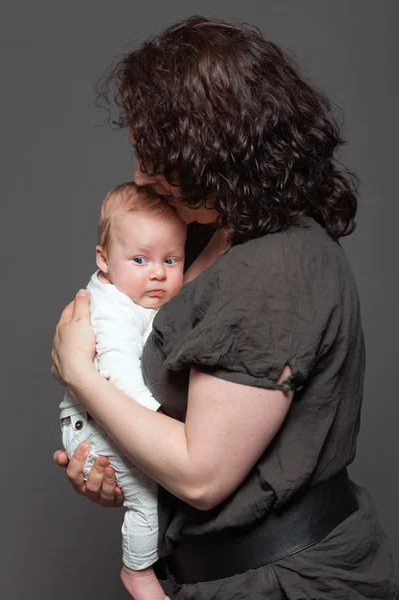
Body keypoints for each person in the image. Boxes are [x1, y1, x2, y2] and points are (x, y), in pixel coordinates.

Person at [52, 16, 398, 600]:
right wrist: (113, 462)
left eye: (153, 153)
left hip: (286, 584)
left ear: (207, 148)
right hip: (214, 574)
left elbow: (202, 474)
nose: (138, 173)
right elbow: (166, 423)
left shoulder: (275, 269)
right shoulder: (203, 238)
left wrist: (80, 377)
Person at [59, 181, 186, 600]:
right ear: (104, 261)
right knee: (148, 501)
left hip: (104, 416)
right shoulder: (111, 307)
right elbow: (115, 371)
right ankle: (138, 574)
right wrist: (159, 417)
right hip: (93, 426)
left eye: (171, 259)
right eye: (140, 259)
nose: (158, 272)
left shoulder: (139, 296)